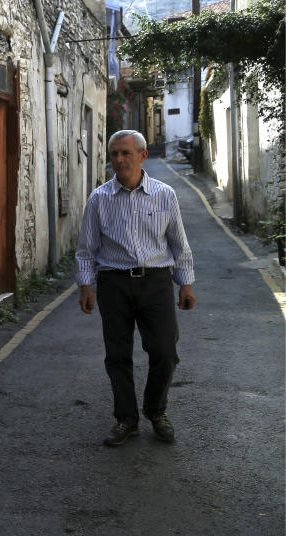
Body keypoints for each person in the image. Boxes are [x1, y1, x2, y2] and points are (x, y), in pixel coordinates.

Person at [76, 130, 196, 446]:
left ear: (142, 156)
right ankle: (125, 420)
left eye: (126, 153)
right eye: (114, 153)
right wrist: (85, 285)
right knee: (117, 355)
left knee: (165, 352)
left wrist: (185, 283)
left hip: (156, 282)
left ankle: (155, 411)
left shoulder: (164, 194)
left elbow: (178, 244)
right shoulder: (99, 198)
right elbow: (86, 249)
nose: (119, 159)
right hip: (113, 284)